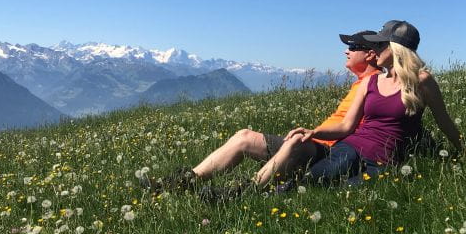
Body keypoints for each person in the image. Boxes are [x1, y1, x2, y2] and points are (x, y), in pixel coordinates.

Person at [148, 30, 383, 196]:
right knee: (244, 137)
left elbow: (357, 128)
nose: (346, 52)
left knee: (255, 139)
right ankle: (185, 181)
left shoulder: (376, 85)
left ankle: (242, 192)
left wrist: (314, 133)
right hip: (315, 142)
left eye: (353, 47)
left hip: (329, 151)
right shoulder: (361, 83)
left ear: (371, 54)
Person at [286, 20, 464, 186]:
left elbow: (444, 121)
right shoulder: (371, 82)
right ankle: (278, 191)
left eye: (379, 44)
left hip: (383, 160)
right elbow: (347, 126)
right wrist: (314, 132)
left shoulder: (422, 81)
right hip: (351, 147)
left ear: (395, 48)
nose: (374, 49)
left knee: (349, 189)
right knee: (318, 179)